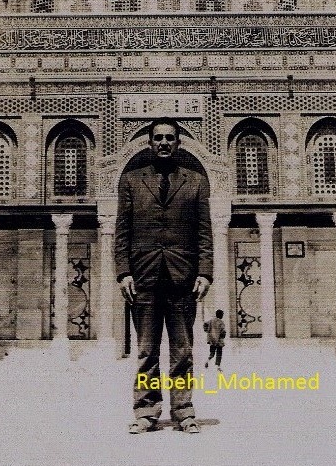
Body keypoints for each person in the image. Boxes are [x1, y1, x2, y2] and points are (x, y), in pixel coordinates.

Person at [115, 117, 213, 434]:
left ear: (178, 143)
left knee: (182, 350)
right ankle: (146, 412)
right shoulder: (130, 181)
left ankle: (184, 411)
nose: (164, 143)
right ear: (150, 143)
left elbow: (204, 234)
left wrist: (205, 273)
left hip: (182, 277)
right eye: (158, 138)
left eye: (170, 138)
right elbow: (122, 233)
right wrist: (123, 272)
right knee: (146, 350)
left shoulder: (196, 181)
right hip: (143, 276)